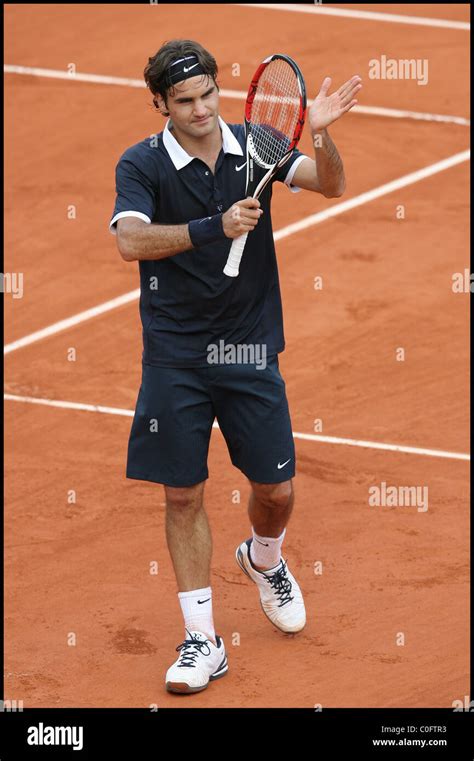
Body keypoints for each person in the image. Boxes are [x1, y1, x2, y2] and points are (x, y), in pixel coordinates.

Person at [110, 38, 361, 694]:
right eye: (184, 100)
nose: (200, 110)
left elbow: (330, 184)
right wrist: (210, 227)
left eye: (208, 95)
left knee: (276, 492)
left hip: (250, 348)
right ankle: (202, 638)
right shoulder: (141, 164)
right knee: (183, 491)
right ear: (160, 103)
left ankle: (263, 557)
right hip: (175, 355)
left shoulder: (257, 146)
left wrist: (325, 137)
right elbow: (129, 240)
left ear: (221, 91)